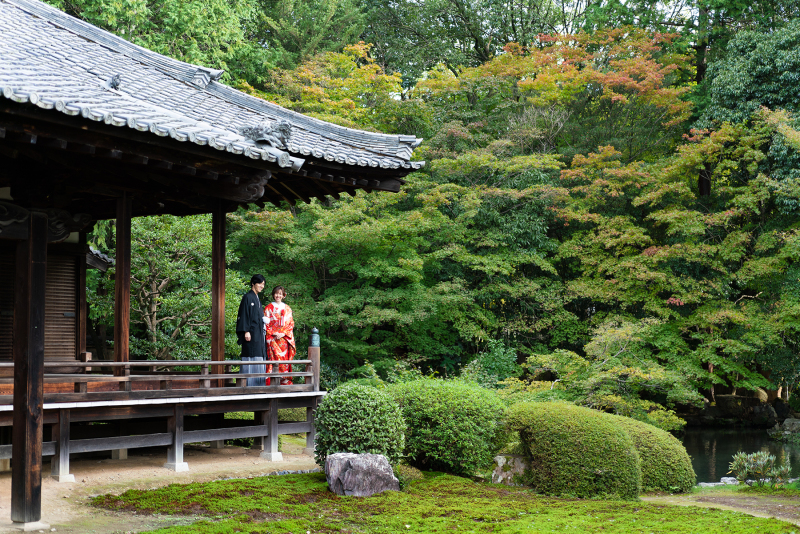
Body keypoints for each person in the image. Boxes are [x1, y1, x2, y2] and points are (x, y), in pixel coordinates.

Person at [235, 274, 266, 386]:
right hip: (250, 333)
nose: (262, 286)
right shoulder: (248, 297)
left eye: (263, 284)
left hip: (258, 333)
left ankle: (258, 385)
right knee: (250, 355)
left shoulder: (257, 298)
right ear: (253, 283)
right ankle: (248, 384)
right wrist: (246, 331)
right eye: (260, 284)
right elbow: (244, 315)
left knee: (259, 354)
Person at [264, 285, 296, 385]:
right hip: (272, 338)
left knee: (284, 360)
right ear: (273, 294)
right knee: (274, 360)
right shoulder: (268, 307)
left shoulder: (287, 308)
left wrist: (283, 333)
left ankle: (284, 381)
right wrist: (274, 333)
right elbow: (266, 323)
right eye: (276, 293)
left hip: (284, 338)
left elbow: (290, 324)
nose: (278, 295)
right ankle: (272, 382)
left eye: (280, 294)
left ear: (283, 295)